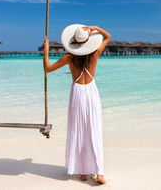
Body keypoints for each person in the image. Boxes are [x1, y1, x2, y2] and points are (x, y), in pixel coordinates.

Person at [43, 24, 111, 185]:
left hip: (78, 93)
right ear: (88, 42)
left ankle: (83, 171)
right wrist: (97, 28)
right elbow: (108, 36)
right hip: (92, 92)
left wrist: (46, 50)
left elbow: (48, 68)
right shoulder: (95, 54)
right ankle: (99, 172)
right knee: (93, 130)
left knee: (79, 130)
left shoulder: (69, 58)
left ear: (74, 43)